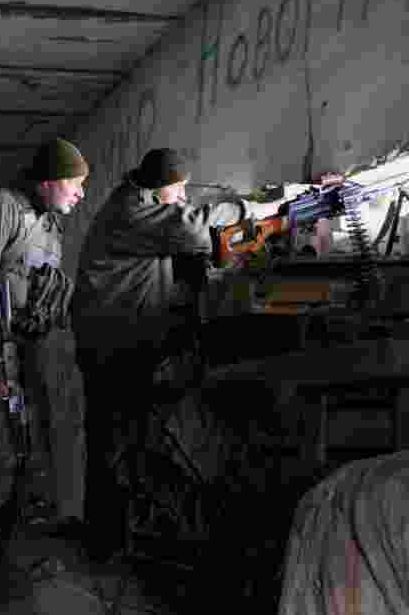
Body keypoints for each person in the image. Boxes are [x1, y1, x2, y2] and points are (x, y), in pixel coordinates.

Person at [71, 147, 288, 563]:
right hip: (113, 349)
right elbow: (192, 229)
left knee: (128, 444)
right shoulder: (129, 213)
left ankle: (124, 541)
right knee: (116, 446)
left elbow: (190, 246)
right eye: (179, 189)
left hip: (123, 345)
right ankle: (107, 549)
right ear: (157, 188)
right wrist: (256, 208)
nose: (184, 196)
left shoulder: (141, 208)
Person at [0, 138, 88, 581]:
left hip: (21, 352)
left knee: (18, 455)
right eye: (75, 183)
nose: (81, 193)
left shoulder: (49, 225)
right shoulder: (2, 207)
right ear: (47, 183)